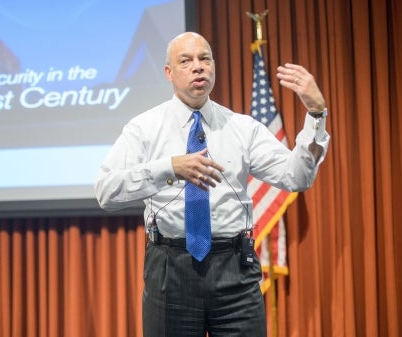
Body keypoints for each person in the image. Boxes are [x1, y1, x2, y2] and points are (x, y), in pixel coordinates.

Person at [94, 31, 329, 337]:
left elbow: (298, 177)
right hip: (170, 266)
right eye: (186, 60)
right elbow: (106, 190)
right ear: (169, 72)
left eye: (205, 58)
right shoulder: (144, 128)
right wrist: (170, 168)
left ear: (214, 66)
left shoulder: (243, 128)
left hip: (235, 268)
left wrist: (316, 115)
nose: (198, 66)